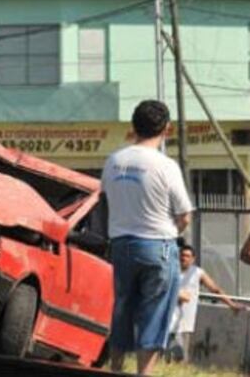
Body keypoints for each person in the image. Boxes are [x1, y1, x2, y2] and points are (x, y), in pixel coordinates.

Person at [101, 99, 193, 376]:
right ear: (167, 129)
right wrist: (174, 231)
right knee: (154, 315)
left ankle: (115, 368)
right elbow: (185, 215)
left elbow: (105, 199)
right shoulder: (166, 166)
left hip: (120, 245)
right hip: (158, 246)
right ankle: (144, 373)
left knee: (122, 310)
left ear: (133, 127)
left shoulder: (114, 161)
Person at [168, 244, 243, 362]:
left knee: (180, 356)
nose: (183, 258)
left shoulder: (197, 273)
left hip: (185, 322)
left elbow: (215, 289)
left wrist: (231, 304)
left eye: (187, 256)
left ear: (193, 259)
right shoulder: (170, 271)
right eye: (182, 255)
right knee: (165, 355)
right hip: (167, 319)